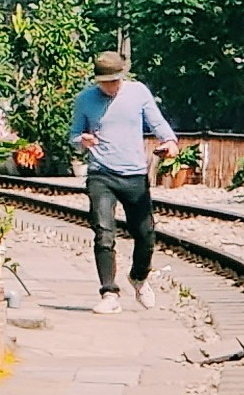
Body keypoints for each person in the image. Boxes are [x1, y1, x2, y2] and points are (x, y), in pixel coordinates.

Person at [68, 48, 176, 314]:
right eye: (106, 83)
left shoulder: (138, 93)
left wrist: (170, 142)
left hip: (134, 174)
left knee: (145, 233)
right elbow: (73, 135)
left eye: (115, 81)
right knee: (104, 232)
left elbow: (158, 123)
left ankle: (139, 278)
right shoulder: (85, 100)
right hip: (101, 174)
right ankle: (109, 293)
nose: (111, 87)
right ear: (97, 81)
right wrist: (82, 140)